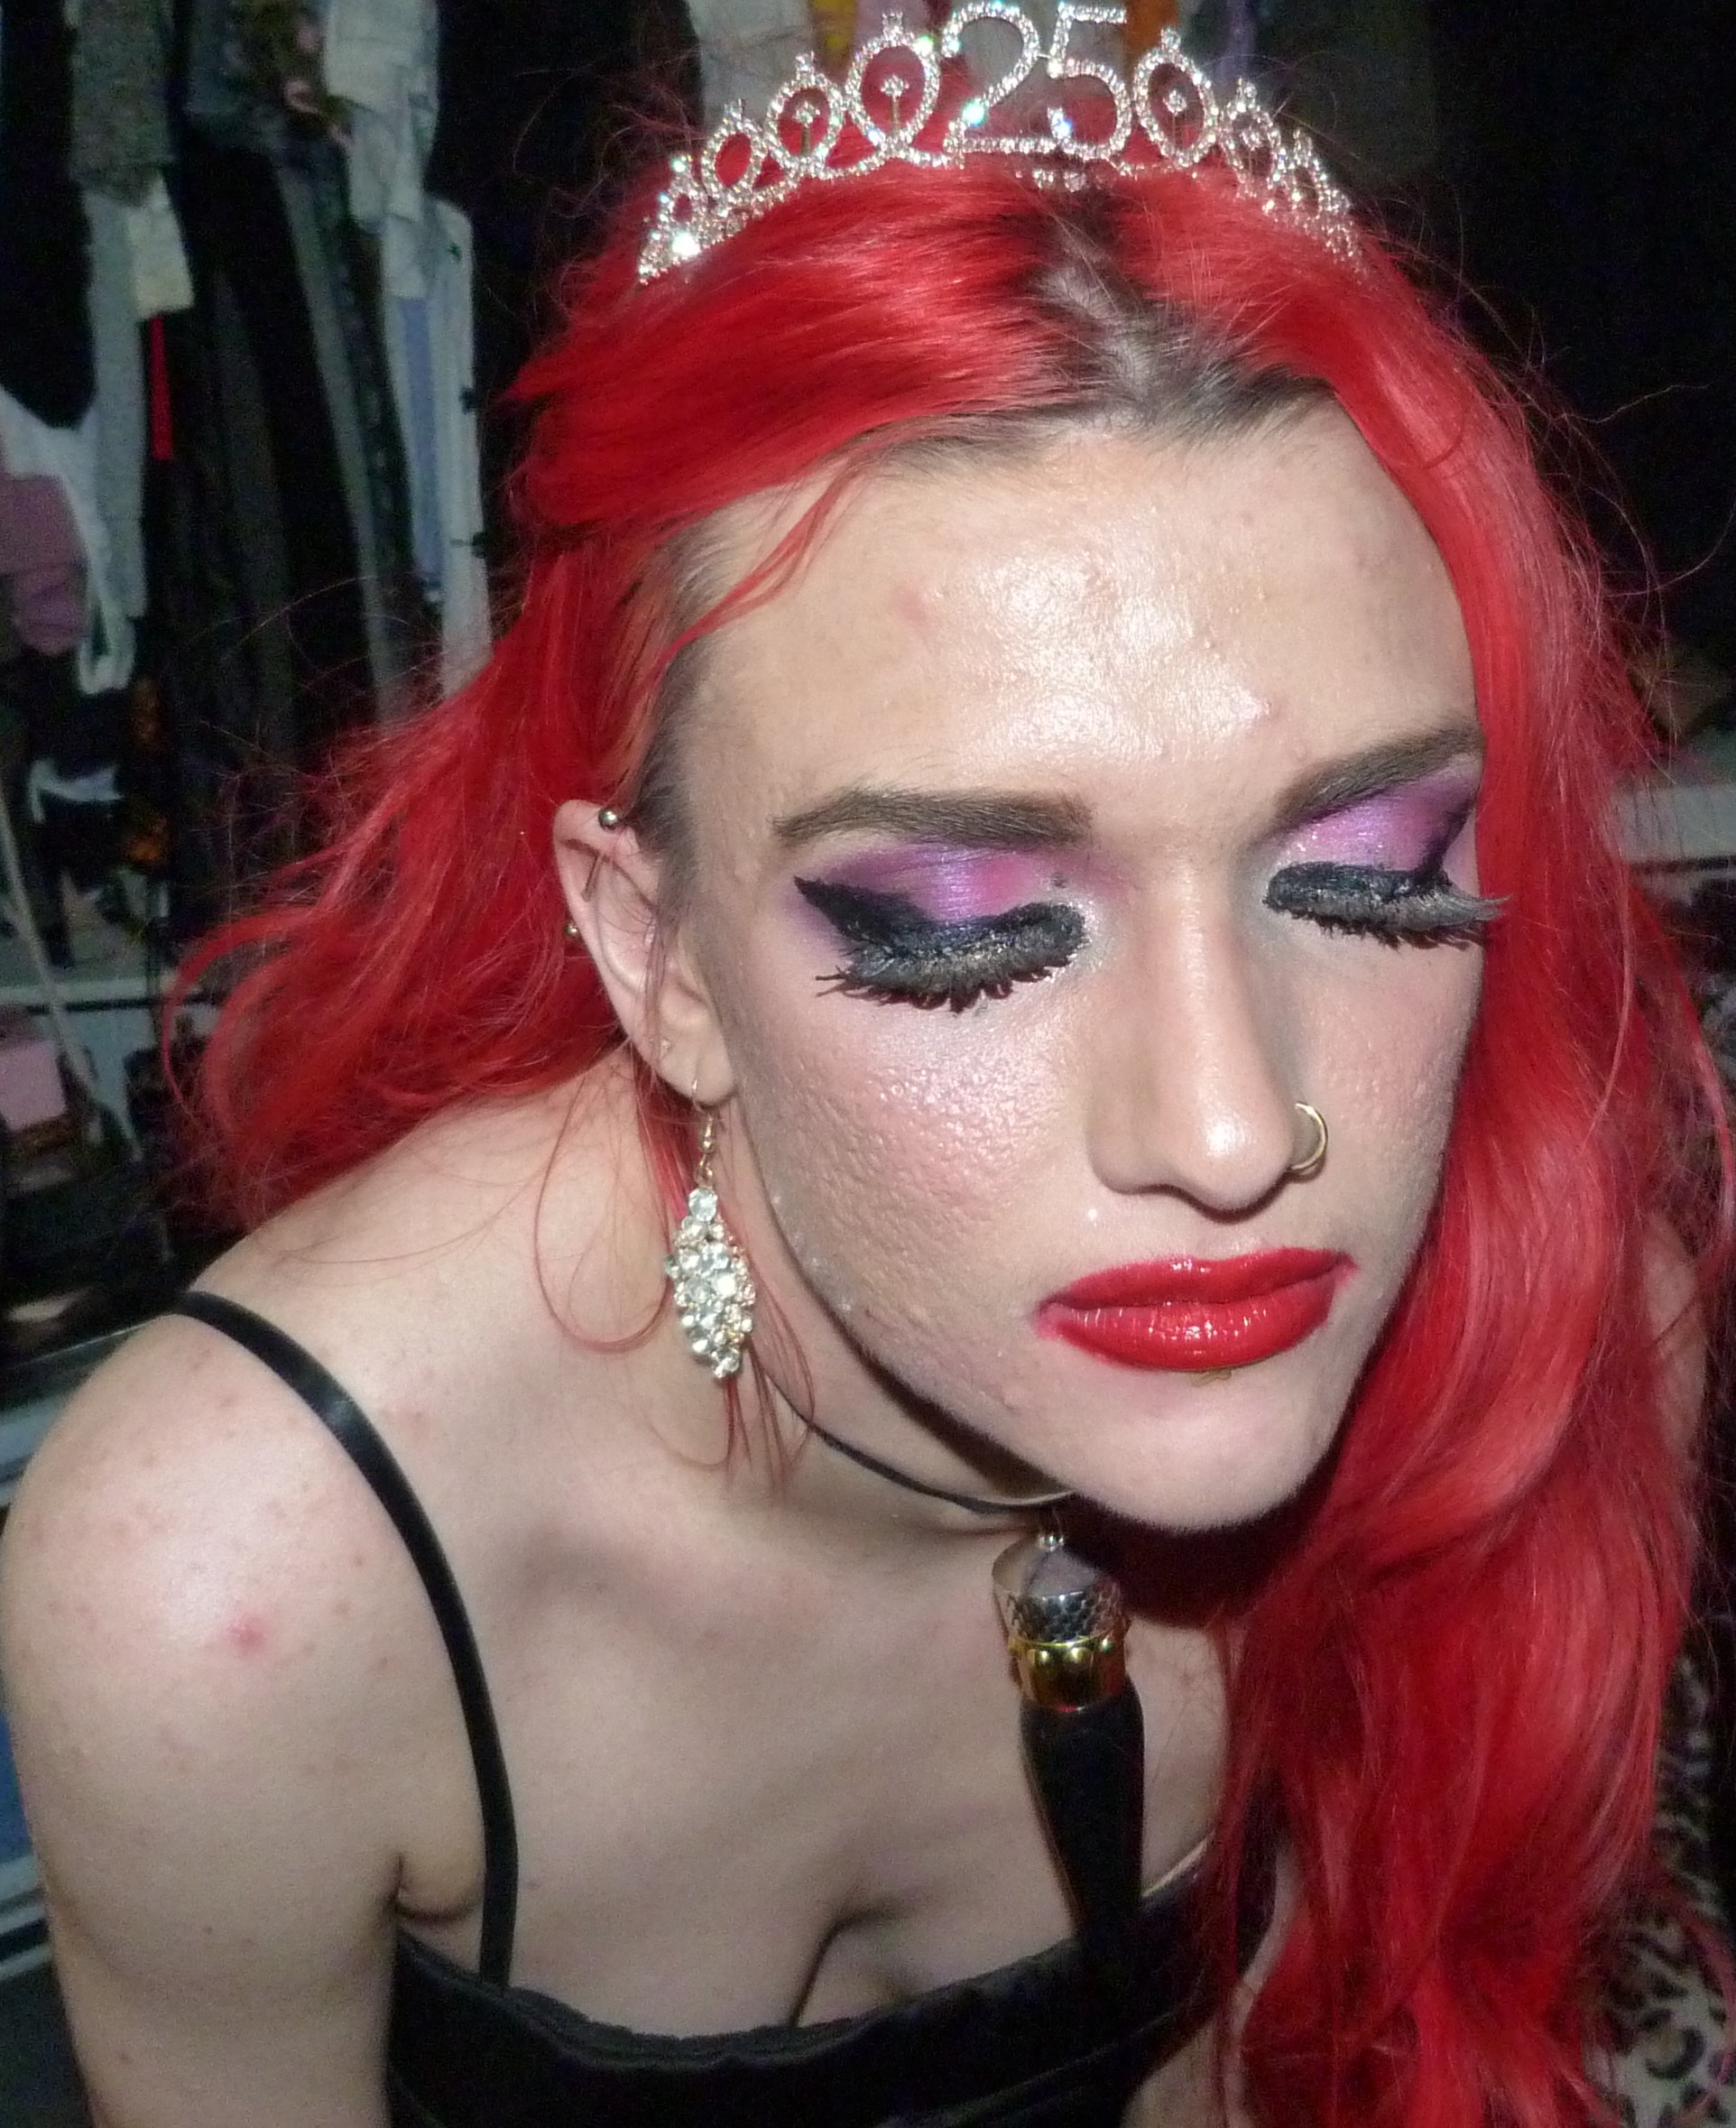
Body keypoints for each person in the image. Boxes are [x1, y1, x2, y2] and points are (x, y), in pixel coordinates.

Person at [0, 14, 1726, 2127]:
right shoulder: (237, 1580)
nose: (1220, 1130)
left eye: (1366, 880)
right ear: (656, 952)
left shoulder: (1552, 1341)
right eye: (963, 925)